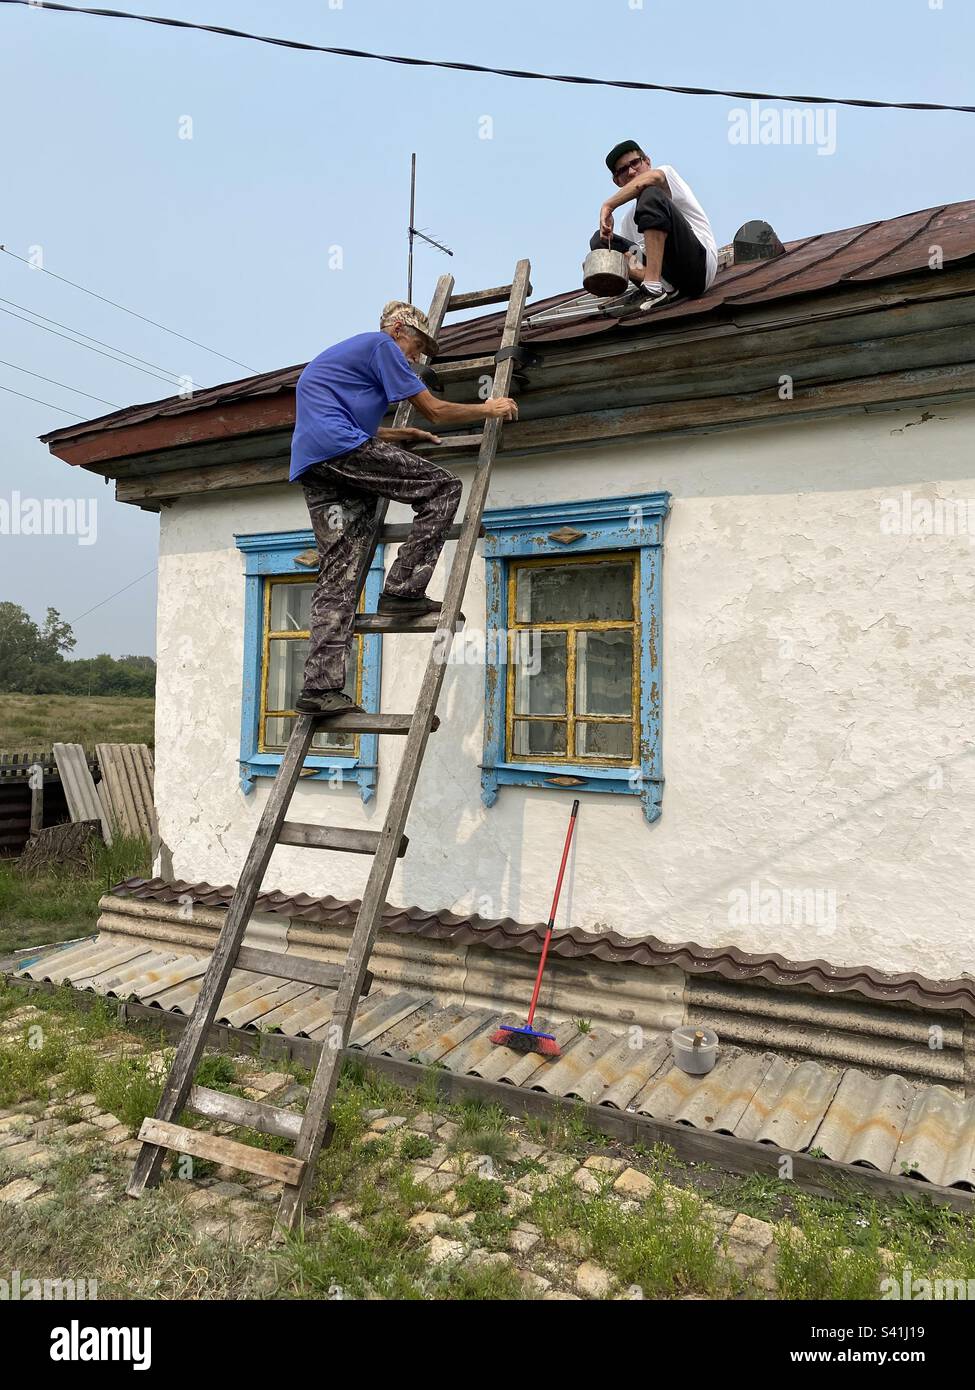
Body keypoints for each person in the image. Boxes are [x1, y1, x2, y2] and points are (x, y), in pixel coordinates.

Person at [289, 300, 518, 717]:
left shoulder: (351, 357)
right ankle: (402, 590)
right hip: (341, 449)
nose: (417, 357)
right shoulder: (382, 346)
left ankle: (319, 689)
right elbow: (434, 408)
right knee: (444, 487)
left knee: (338, 572)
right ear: (397, 329)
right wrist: (490, 407)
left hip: (317, 463)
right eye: (416, 345)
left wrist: (394, 435)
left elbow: (342, 418)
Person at [590, 140, 718, 312]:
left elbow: (653, 179)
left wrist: (608, 205)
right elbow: (633, 258)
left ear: (647, 162)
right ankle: (659, 289)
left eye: (635, 162)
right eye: (622, 170)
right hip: (668, 281)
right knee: (601, 242)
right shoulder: (628, 222)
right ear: (617, 181)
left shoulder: (665, 177)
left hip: (697, 269)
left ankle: (652, 285)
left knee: (650, 194)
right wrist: (605, 265)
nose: (631, 171)